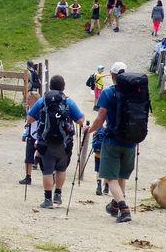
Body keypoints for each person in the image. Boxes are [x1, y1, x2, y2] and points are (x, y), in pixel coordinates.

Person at [86, 62, 138, 223]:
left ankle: (124, 209)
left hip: (112, 140)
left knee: (110, 177)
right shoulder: (136, 93)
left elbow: (100, 119)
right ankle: (115, 206)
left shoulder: (108, 93)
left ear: (113, 75)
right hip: (131, 141)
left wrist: (90, 130)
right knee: (121, 176)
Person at [27, 75, 86, 208]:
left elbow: (30, 119)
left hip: (45, 141)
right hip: (64, 142)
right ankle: (58, 195)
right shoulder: (68, 102)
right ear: (63, 87)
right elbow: (80, 121)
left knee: (47, 170)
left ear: (50, 87)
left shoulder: (42, 101)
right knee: (61, 168)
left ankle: (47, 200)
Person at [19, 91, 40, 185]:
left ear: (34, 100)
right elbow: (27, 123)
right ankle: (28, 177)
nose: (27, 100)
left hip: (39, 134)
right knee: (28, 157)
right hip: (31, 134)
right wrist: (25, 133)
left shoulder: (40, 109)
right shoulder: (28, 108)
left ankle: (50, 175)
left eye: (29, 99)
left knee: (43, 157)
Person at [91, 126, 108, 195]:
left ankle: (99, 186)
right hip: (108, 153)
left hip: (98, 153)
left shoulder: (98, 129)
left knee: (98, 170)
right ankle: (106, 187)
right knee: (108, 170)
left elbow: (94, 139)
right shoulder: (110, 129)